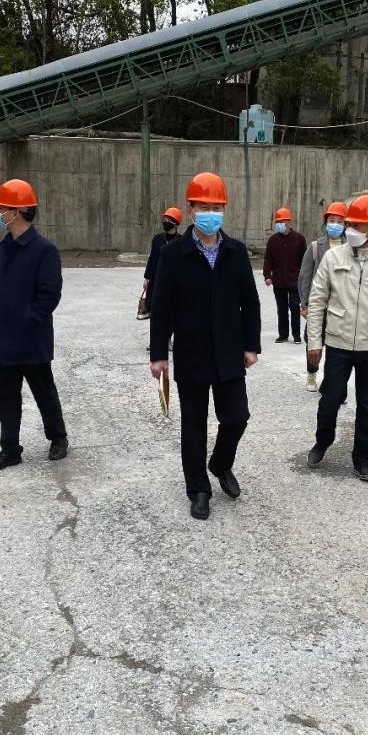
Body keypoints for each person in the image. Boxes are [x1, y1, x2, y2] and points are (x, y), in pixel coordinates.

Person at [150, 172, 261, 521]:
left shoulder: (236, 252)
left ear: (224, 210)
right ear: (191, 209)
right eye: (203, 207)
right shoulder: (172, 255)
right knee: (194, 426)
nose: (210, 214)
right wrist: (158, 354)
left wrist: (251, 345)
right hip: (192, 352)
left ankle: (221, 462)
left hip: (229, 352)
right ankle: (198, 489)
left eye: (216, 207)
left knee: (237, 417)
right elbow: (161, 308)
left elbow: (250, 302)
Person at [305, 194, 368, 481]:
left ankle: (362, 458)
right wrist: (314, 343)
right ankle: (322, 441)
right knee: (329, 401)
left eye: (358, 226)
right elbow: (317, 301)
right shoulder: (332, 257)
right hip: (338, 344)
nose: (350, 230)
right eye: (349, 224)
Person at [0, 178, 68, 473]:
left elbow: (49, 296)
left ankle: (58, 437)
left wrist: (27, 322)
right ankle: (10, 449)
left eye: (2, 209)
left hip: (32, 339)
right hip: (3, 339)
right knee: (5, 397)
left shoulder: (44, 250)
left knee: (44, 392)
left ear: (15, 212)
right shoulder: (2, 248)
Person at [298, 201, 348, 392]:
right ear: (326, 222)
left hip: (341, 306)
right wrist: (305, 304)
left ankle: (331, 382)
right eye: (332, 220)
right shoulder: (315, 247)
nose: (335, 225)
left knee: (338, 346)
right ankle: (312, 374)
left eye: (340, 221)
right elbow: (305, 277)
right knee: (313, 340)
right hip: (318, 304)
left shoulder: (351, 247)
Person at [263, 207, 306, 344]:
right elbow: (268, 259)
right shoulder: (272, 240)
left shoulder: (299, 239)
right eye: (277, 222)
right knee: (281, 309)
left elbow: (304, 260)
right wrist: (267, 276)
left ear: (288, 222)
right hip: (279, 281)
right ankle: (283, 334)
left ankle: (296, 335)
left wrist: (302, 277)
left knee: (294, 307)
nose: (279, 224)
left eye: (281, 222)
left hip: (295, 281)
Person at [140, 206, 183, 322]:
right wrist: (146, 278)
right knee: (156, 310)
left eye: (168, 220)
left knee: (173, 310)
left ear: (175, 223)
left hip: (174, 281)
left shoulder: (181, 241)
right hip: (156, 279)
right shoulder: (157, 239)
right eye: (164, 219)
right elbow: (152, 258)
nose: (165, 222)